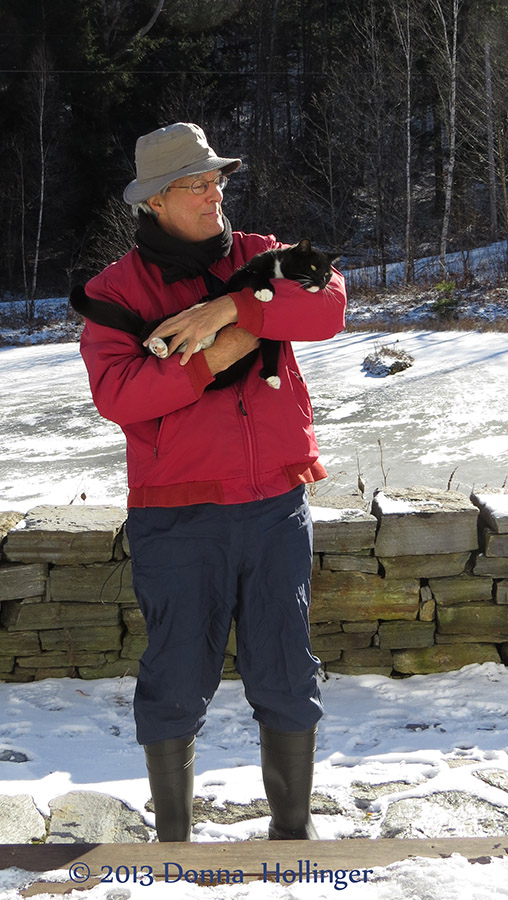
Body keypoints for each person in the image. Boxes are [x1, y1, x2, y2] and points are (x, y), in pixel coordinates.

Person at [80, 122, 347, 842]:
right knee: (175, 676)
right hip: (177, 517)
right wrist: (226, 347)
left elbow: (328, 303)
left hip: (275, 507)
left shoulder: (261, 256)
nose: (215, 193)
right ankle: (173, 842)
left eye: (217, 179)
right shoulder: (114, 291)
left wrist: (230, 306)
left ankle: (292, 837)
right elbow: (121, 395)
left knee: (287, 673)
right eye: (197, 184)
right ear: (156, 202)